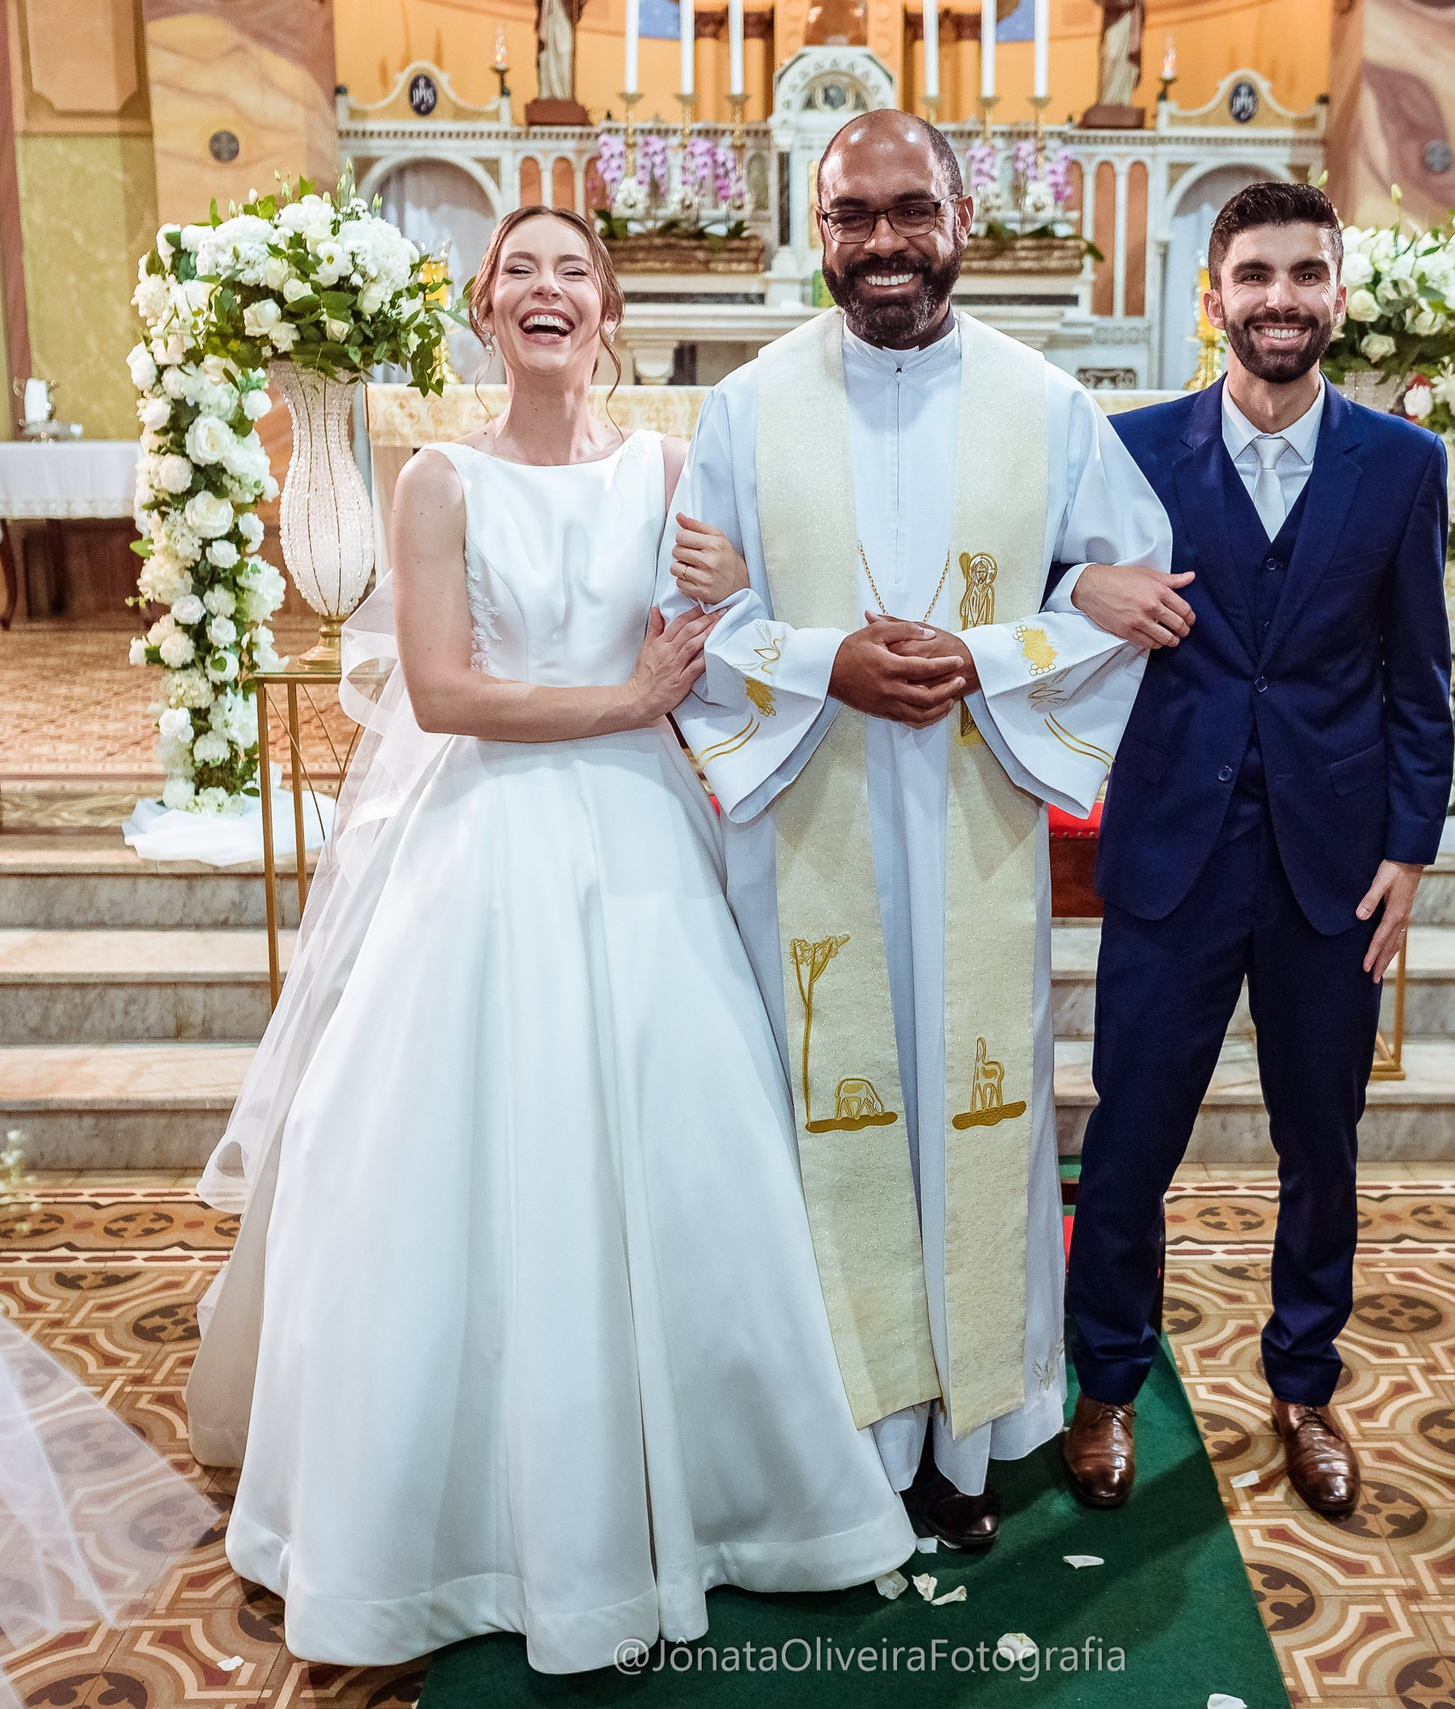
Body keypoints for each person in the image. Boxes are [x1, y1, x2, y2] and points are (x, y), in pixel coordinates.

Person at [181, 204, 914, 1673]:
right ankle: (434, 1527)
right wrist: (621, 703)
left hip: (647, 840)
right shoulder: (438, 481)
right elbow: (444, 694)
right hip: (492, 842)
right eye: (520, 270)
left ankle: (726, 1496)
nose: (546, 291)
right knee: (442, 1159)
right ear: (483, 306)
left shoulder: (663, 470)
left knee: (687, 1145)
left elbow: (732, 625)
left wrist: (734, 607)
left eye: (572, 271)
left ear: (609, 307)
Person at [658, 109, 1178, 1550]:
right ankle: (842, 1435)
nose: (882, 241)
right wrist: (829, 664)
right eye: (852, 215)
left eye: (909, 208)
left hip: (974, 816)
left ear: (961, 213)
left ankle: (963, 1440)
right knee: (830, 1111)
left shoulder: (1045, 402)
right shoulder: (749, 406)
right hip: (813, 804)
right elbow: (687, 615)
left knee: (977, 1112)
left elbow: (1128, 585)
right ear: (814, 229)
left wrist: (984, 662)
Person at [1060, 181, 1453, 1518]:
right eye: (1256, 275)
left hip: (1333, 864)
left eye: (1305, 274)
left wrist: (1412, 846)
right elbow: (1041, 586)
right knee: (1130, 1138)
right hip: (1173, 848)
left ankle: (1304, 1384)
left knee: (1320, 1139)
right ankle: (1107, 1379)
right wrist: (1079, 585)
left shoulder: (1403, 467)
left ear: (1337, 297)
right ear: (1210, 297)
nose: (1280, 299)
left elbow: (1418, 676)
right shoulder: (1129, 450)